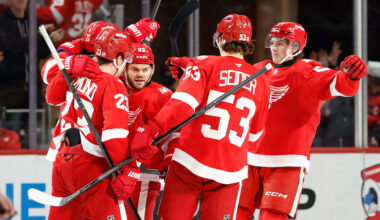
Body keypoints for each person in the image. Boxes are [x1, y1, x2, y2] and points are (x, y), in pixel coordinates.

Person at [130, 14, 271, 219]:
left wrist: (151, 128)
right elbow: (255, 137)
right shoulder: (262, 81)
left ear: (220, 38)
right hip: (230, 169)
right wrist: (191, 70)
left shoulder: (203, 64)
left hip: (190, 160)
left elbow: (182, 106)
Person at [237, 22, 368, 220]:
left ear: (295, 47)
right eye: (272, 42)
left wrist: (351, 76)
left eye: (281, 43)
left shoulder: (309, 72)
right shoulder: (259, 70)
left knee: (272, 216)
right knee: (236, 212)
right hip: (249, 159)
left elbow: (341, 85)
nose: (274, 47)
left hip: (286, 163)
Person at [41, 27, 141, 219]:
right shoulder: (113, 85)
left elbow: (52, 96)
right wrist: (127, 169)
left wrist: (67, 68)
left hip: (63, 162)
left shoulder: (78, 74)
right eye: (125, 59)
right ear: (119, 59)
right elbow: (114, 136)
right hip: (94, 166)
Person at [123, 43, 177, 220]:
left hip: (144, 175)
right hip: (113, 171)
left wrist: (169, 159)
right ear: (125, 68)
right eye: (135, 69)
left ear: (152, 69)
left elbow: (176, 132)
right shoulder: (114, 88)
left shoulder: (162, 95)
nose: (140, 74)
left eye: (145, 69)